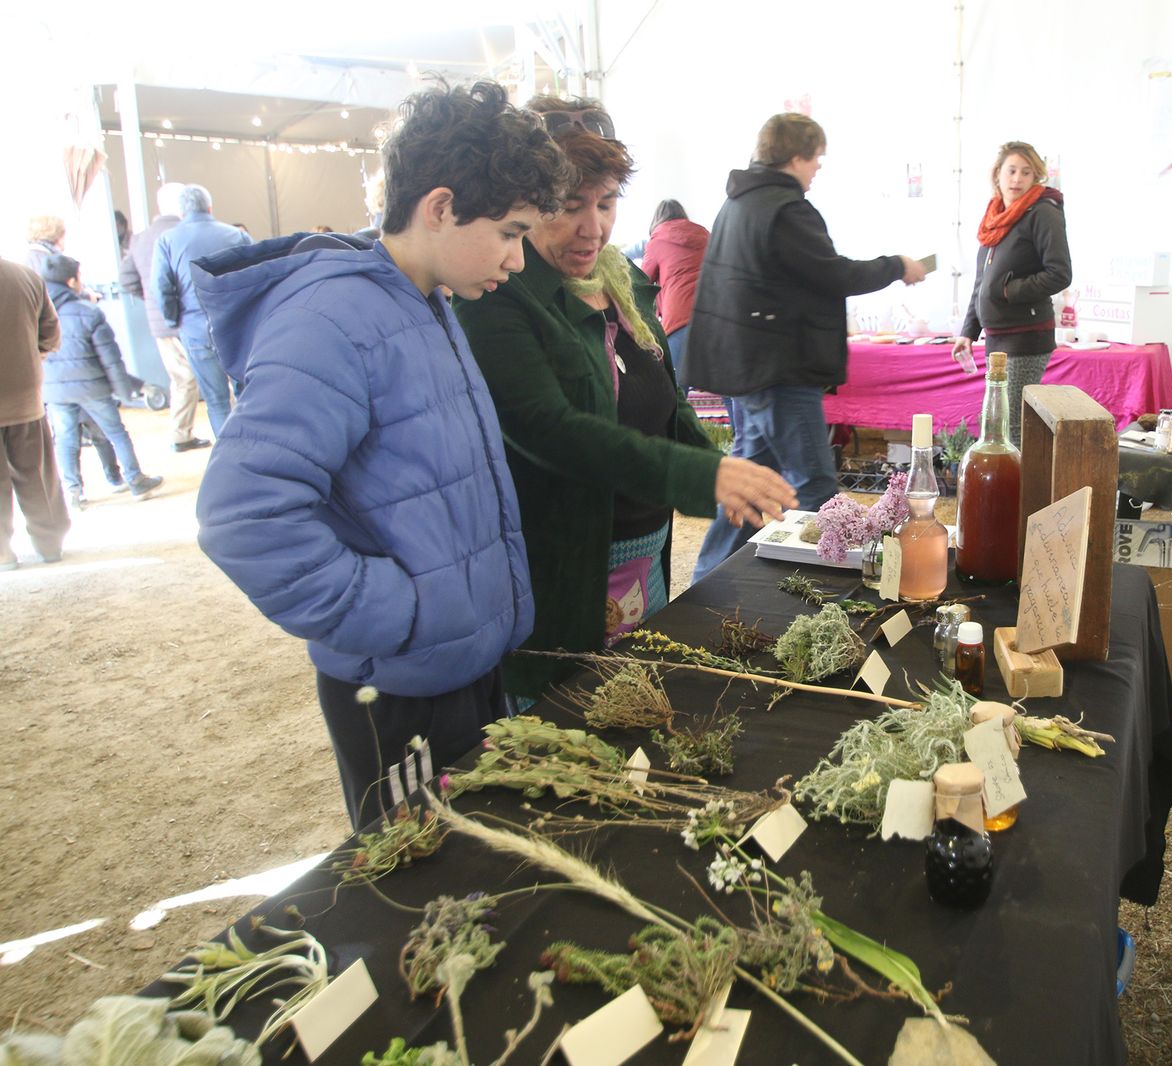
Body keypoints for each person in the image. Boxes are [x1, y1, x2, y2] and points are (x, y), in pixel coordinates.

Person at [192, 80, 567, 830]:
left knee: (483, 868)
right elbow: (242, 515)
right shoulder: (331, 319)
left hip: (458, 665)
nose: (519, 260)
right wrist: (399, 612)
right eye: (510, 232)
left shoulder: (422, 297)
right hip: (400, 684)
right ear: (439, 207)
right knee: (423, 890)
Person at [455, 99, 797, 703]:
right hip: (563, 570)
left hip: (644, 562)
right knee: (570, 722)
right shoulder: (499, 298)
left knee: (638, 710)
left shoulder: (623, 282)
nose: (593, 227)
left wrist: (728, 472)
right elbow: (554, 430)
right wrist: (703, 471)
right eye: (569, 206)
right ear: (529, 204)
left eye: (607, 203)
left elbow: (664, 401)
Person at [681, 112, 926, 582]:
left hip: (751, 370)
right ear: (796, 156)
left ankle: (705, 582)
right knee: (814, 484)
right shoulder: (785, 209)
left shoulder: (738, 204)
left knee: (750, 488)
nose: (817, 169)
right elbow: (833, 273)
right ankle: (813, 590)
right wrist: (896, 264)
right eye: (816, 159)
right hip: (782, 370)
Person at [951, 141, 1072, 445]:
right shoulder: (995, 218)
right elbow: (982, 282)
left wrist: (1010, 289)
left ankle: (1019, 492)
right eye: (1012, 171)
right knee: (998, 422)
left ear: (1036, 177)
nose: (1017, 179)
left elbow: (1060, 273)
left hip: (1026, 335)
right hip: (996, 335)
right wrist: (968, 331)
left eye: (1026, 172)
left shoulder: (1042, 213)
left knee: (1010, 426)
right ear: (998, 175)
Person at [39, 255, 163, 508]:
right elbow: (111, 361)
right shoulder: (88, 313)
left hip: (54, 391)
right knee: (115, 432)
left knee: (65, 438)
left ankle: (74, 491)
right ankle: (134, 480)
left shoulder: (34, 313)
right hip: (92, 387)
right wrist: (126, 391)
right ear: (72, 281)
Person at [153, 185, 250, 437]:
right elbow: (257, 276)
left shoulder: (167, 241)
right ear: (210, 207)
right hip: (237, 328)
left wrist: (174, 319)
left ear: (181, 212)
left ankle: (229, 458)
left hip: (196, 331)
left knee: (217, 401)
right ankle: (256, 447)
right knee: (248, 394)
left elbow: (161, 286)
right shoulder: (236, 235)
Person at [120, 182, 209, 452]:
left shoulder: (142, 238)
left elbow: (126, 278)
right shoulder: (183, 235)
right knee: (214, 376)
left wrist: (151, 301)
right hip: (194, 319)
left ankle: (181, 434)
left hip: (162, 325)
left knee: (181, 380)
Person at [0, 255, 69, 571]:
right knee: (37, 473)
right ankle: (49, 544)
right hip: (24, 392)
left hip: (22, 391)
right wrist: (30, 355)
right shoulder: (25, 276)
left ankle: (3, 553)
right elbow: (51, 334)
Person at [640, 198, 709, 382]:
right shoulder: (704, 235)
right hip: (712, 318)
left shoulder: (657, 241)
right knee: (726, 389)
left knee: (676, 391)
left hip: (679, 321)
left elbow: (641, 281)